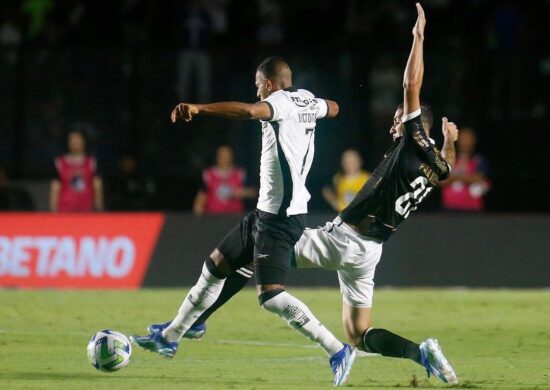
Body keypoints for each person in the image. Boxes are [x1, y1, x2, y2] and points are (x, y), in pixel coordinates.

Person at [150, 4, 460, 385]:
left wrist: (418, 38)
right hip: (370, 252)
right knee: (360, 332)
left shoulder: (412, 138)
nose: (396, 122)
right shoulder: (435, 164)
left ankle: (194, 323)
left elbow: (412, 85)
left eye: (401, 117)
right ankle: (420, 352)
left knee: (257, 253)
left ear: (417, 124)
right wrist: (450, 142)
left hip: (343, 238)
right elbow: (447, 168)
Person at [131, 56, 356, 386]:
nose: (256, 92)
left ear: (267, 84)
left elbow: (251, 112)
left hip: (281, 218)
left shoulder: (276, 101)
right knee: (216, 265)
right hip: (266, 212)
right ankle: (171, 336)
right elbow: (334, 107)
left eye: (257, 86)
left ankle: (337, 349)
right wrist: (315, 106)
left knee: (272, 297)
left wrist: (199, 108)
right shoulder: (305, 98)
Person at [193, 145, 256, 215]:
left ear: (232, 157)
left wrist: (240, 193)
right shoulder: (208, 174)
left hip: (235, 216)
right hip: (213, 216)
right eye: (221, 156)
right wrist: (198, 209)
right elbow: (202, 195)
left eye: (227, 156)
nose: (224, 159)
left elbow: (253, 192)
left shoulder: (240, 173)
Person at [49, 130, 103, 212]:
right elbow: (55, 187)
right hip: (64, 211)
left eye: (77, 139)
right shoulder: (59, 163)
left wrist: (99, 209)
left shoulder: (92, 163)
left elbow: (97, 185)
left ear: (84, 142)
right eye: (72, 140)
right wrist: (53, 211)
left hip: (86, 211)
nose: (74, 142)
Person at [441, 127, 491, 212]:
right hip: (449, 208)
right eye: (463, 138)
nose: (465, 142)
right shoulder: (448, 158)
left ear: (474, 140)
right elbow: (441, 180)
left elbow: (479, 178)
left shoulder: (479, 160)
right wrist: (467, 177)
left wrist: (454, 177)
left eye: (468, 138)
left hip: (472, 209)